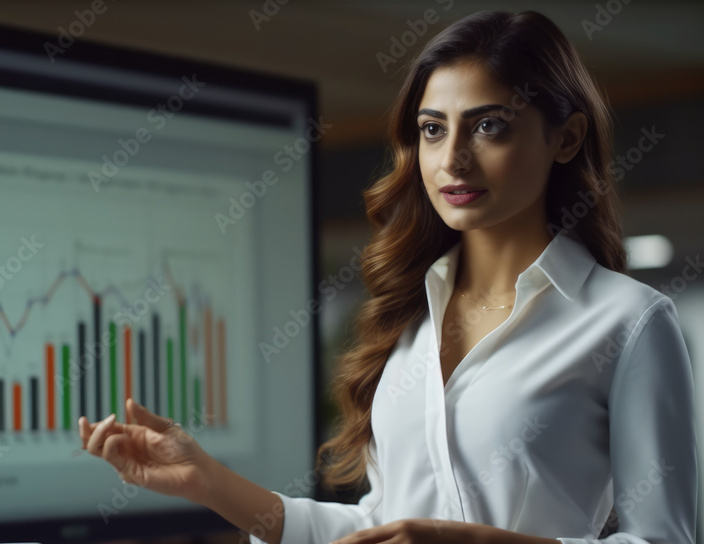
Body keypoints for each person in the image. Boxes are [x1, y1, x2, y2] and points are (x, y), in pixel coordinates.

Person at [78, 10, 697, 544]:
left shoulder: (629, 320)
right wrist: (208, 481)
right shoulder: (409, 313)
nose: (452, 158)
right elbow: (378, 525)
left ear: (567, 138)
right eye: (433, 129)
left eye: (489, 126)